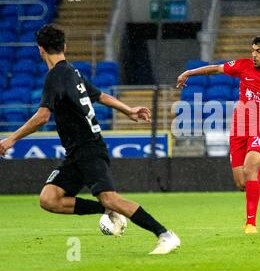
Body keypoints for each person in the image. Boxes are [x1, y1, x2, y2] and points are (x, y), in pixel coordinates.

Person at [0, 24, 180, 254]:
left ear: (40, 50)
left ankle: (165, 234)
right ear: (64, 46)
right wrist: (128, 110)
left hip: (89, 149)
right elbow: (100, 95)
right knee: (49, 199)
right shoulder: (72, 73)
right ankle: (107, 211)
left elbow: (43, 116)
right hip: (76, 153)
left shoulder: (56, 76)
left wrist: (11, 139)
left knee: (112, 198)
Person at [176, 36, 260, 234]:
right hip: (239, 128)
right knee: (241, 183)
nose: (254, 54)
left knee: (249, 167)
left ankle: (250, 223)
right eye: (253, 50)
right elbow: (216, 68)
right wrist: (189, 72)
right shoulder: (243, 66)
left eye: (259, 51)